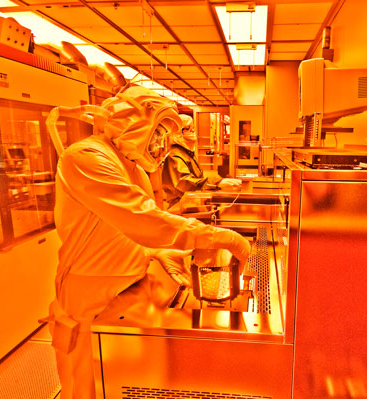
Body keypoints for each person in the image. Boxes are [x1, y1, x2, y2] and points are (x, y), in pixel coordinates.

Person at [48, 86, 250, 399]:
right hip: (89, 297)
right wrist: (215, 236)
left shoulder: (132, 166)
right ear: (132, 121)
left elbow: (120, 228)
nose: (164, 145)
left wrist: (154, 251)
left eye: (168, 136)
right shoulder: (86, 157)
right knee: (85, 386)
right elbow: (141, 219)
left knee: (116, 382)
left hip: (127, 290)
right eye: (159, 132)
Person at [162, 114, 241, 212]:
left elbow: (196, 179)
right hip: (180, 206)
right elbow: (184, 183)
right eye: (187, 128)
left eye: (193, 127)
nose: (192, 131)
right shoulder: (174, 155)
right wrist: (215, 183)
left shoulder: (187, 153)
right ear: (177, 133)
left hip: (190, 202)